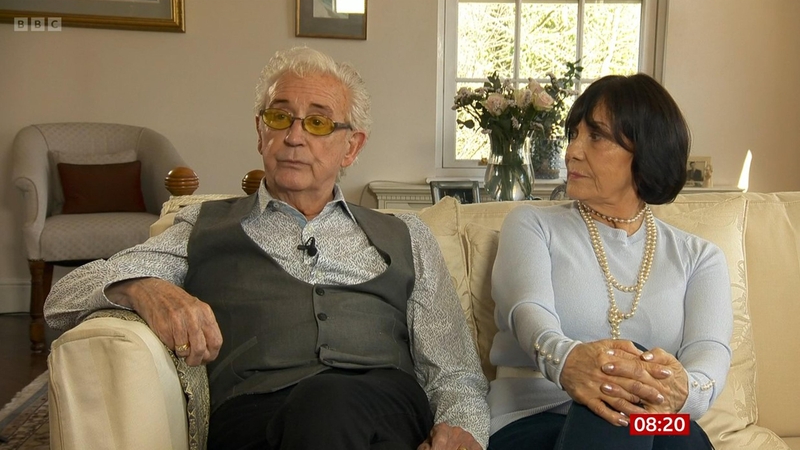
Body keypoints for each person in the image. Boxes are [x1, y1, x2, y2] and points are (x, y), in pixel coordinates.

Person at [44, 46, 489, 450]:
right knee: (322, 410)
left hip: (384, 405)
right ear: (260, 132)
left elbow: (455, 371)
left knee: (330, 402)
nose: (295, 137)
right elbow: (60, 299)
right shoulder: (201, 228)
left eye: (317, 122)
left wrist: (461, 430)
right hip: (255, 417)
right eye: (280, 118)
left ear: (351, 147)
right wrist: (140, 287)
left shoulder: (407, 236)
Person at [486, 74, 732, 450]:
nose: (572, 151)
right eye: (575, 134)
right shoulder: (532, 224)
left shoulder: (700, 258)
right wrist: (572, 363)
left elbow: (709, 355)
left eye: (595, 136)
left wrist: (682, 392)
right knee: (617, 409)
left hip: (647, 425)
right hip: (533, 421)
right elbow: (528, 312)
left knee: (682, 436)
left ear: (645, 151)